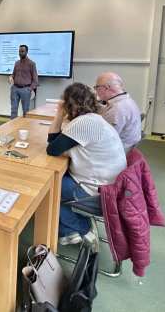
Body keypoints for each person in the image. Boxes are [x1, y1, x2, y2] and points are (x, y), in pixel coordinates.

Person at [46, 82, 126, 245]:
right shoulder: (93, 119)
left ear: (69, 104)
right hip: (109, 187)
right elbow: (55, 143)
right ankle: (70, 227)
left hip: (97, 193)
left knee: (46, 186)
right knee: (58, 176)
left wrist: (59, 115)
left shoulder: (84, 123)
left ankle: (80, 228)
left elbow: (52, 149)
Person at [94, 72, 142, 151]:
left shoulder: (117, 110)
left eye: (97, 87)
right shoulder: (126, 100)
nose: (96, 91)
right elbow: (107, 109)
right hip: (126, 147)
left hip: (115, 152)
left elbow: (100, 140)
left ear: (106, 87)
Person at [8, 45, 38, 119]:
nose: (20, 53)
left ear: (26, 52)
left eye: (22, 51)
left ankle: (24, 127)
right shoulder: (17, 63)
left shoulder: (31, 64)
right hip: (15, 89)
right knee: (13, 110)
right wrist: (11, 77)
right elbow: (13, 74)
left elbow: (35, 80)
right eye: (19, 51)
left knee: (25, 111)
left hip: (25, 89)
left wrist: (29, 89)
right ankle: (11, 127)